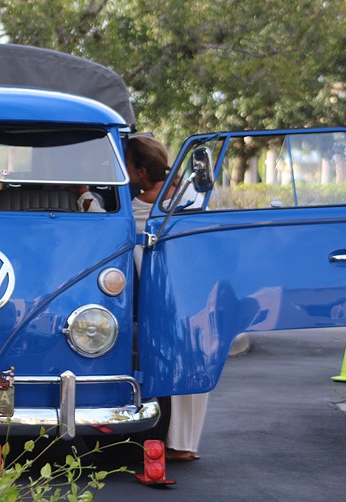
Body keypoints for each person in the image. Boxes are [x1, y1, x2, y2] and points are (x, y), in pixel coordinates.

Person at [125, 136, 209, 462]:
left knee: (163, 369)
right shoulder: (191, 197)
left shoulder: (136, 208)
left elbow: (100, 216)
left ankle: (171, 441)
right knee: (193, 366)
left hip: (159, 297)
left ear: (142, 172)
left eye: (129, 167)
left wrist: (86, 195)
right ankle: (185, 443)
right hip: (195, 293)